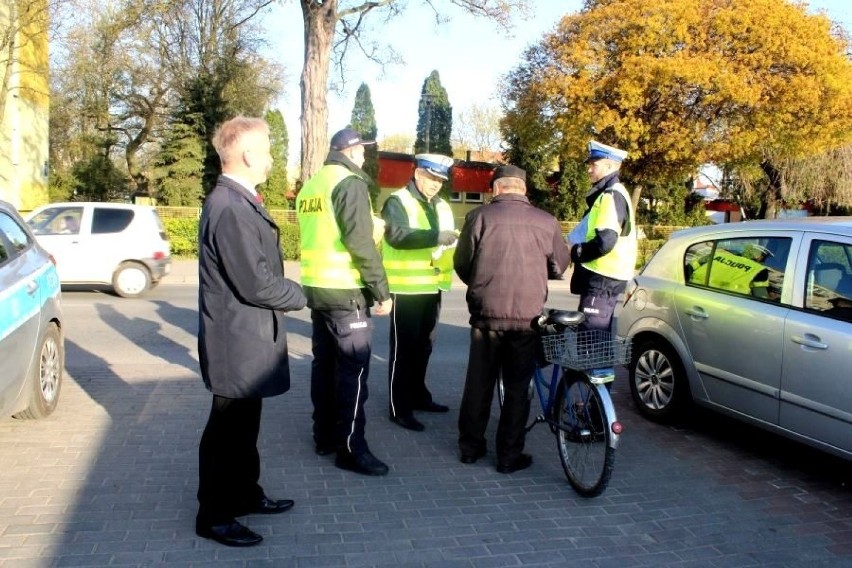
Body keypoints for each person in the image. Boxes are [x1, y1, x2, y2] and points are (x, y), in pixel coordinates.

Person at [196, 116, 307, 547]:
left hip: (247, 338)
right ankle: (215, 514)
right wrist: (303, 295)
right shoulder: (228, 206)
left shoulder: (238, 202)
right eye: (267, 150)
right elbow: (256, 282)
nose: (272, 158)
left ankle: (244, 494)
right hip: (235, 342)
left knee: (244, 428)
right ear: (246, 154)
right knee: (226, 431)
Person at [454, 165, 571, 474]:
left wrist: (480, 284)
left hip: (486, 316)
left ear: (497, 189)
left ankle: (470, 448)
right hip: (526, 318)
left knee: (478, 384)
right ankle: (508, 456)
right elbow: (559, 267)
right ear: (523, 189)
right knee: (518, 388)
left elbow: (462, 263)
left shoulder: (479, 218)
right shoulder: (545, 222)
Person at [296, 127, 393, 477]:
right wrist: (381, 290)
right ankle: (351, 447)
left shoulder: (312, 185)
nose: (365, 156)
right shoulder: (348, 182)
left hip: (317, 289)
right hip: (346, 290)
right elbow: (359, 242)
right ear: (349, 151)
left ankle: (323, 435)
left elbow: (325, 234)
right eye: (362, 150)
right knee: (353, 369)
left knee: (324, 365)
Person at [381, 153, 457, 432]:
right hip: (406, 289)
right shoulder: (398, 201)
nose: (436, 184)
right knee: (403, 351)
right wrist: (435, 237)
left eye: (440, 180)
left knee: (424, 347)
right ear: (417, 173)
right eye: (431, 177)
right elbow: (397, 235)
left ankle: (418, 396)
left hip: (432, 286)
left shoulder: (441, 205)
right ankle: (398, 407)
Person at [568, 140, 637, 379]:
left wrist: (577, 252)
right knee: (600, 343)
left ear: (609, 166)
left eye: (593, 164)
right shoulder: (616, 193)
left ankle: (591, 402)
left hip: (602, 277)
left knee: (590, 342)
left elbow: (606, 240)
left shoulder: (610, 195)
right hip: (610, 277)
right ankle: (598, 399)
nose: (588, 168)